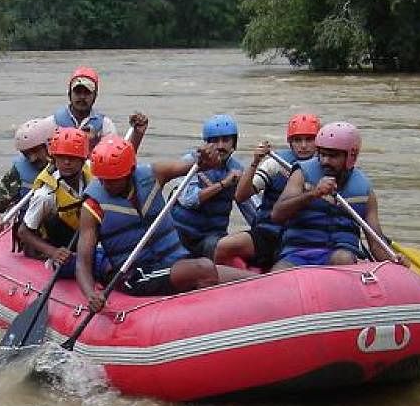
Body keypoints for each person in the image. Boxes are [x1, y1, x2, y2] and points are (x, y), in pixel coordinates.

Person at [76, 134, 245, 312]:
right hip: (136, 274)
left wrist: (207, 157)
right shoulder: (92, 205)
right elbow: (83, 262)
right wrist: (90, 294)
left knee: (249, 278)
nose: (106, 185)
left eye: (113, 180)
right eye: (102, 179)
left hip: (175, 260)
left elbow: (199, 165)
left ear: (130, 171)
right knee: (203, 268)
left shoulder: (154, 174)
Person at [18, 115, 150, 276]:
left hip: (90, 237)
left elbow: (121, 164)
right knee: (105, 263)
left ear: (82, 159)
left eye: (72, 158)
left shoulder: (91, 170)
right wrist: (53, 252)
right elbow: (23, 232)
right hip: (64, 249)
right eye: (61, 158)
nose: (66, 163)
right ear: (53, 158)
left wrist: (137, 134)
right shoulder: (46, 194)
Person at [270, 121, 401, 268]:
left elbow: (376, 244)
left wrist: (394, 261)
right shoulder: (301, 173)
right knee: (280, 270)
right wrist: (313, 194)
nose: (325, 161)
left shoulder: (365, 190)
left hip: (340, 256)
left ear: (350, 156)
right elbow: (277, 215)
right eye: (322, 154)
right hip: (298, 252)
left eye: (332, 156)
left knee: (343, 258)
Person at [214, 113, 320, 270]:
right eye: (298, 140)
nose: (303, 146)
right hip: (270, 232)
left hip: (305, 237)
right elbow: (241, 196)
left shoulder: (326, 168)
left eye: (309, 140)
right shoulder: (275, 164)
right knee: (224, 246)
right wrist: (255, 162)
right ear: (290, 142)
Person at [170, 114, 246, 261]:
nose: (220, 146)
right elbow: (189, 200)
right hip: (181, 232)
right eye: (215, 141)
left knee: (224, 247)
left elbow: (249, 206)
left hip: (212, 236)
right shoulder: (190, 162)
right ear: (206, 143)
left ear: (234, 144)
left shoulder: (237, 170)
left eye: (226, 140)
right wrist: (223, 184)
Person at [0, 116, 57, 234]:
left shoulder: (69, 164)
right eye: (26, 154)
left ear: (49, 144)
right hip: (31, 232)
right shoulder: (19, 172)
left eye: (35, 151)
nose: (32, 159)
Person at [53, 66, 117, 149]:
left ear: (95, 96)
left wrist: (94, 142)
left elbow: (114, 155)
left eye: (87, 92)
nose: (82, 97)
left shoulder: (105, 126)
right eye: (78, 92)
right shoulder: (54, 122)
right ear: (69, 94)